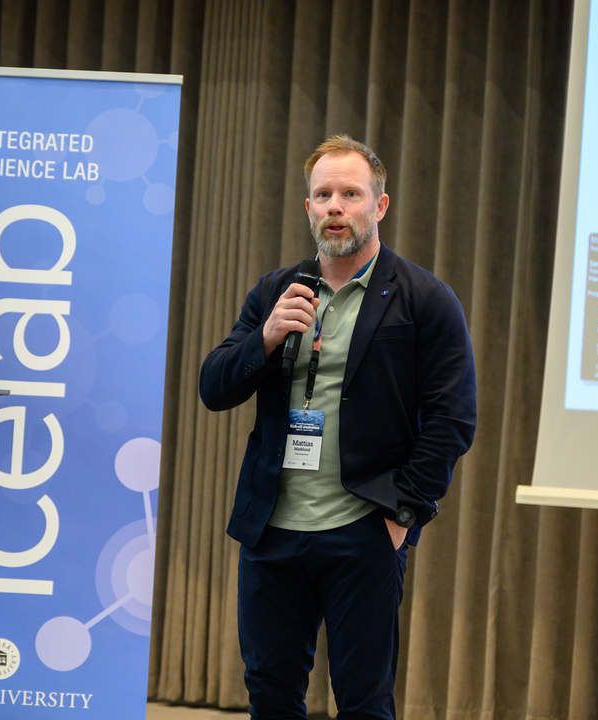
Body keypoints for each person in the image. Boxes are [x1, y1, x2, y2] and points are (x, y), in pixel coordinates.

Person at [199, 135, 477, 719]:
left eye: (350, 193)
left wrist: (402, 513)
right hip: (273, 529)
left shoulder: (424, 299)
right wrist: (266, 337)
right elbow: (214, 387)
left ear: (378, 206)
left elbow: (453, 417)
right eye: (323, 194)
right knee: (270, 693)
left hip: (363, 530)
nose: (334, 206)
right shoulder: (278, 291)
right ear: (307, 208)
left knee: (363, 701)